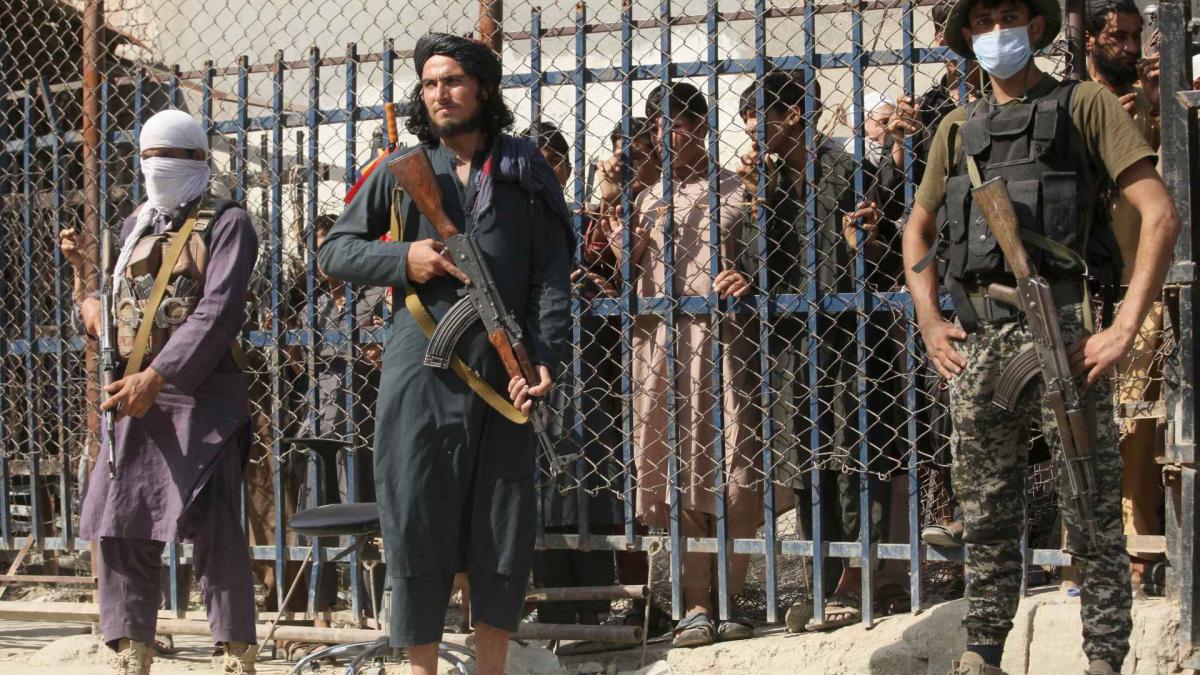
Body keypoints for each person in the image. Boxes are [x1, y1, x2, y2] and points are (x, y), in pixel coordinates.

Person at [901, 0, 1181, 671]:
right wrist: (930, 318)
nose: (999, 29)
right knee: (988, 511)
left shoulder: (1084, 107)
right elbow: (918, 229)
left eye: (1012, 14)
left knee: (1089, 506)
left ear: (1035, 26)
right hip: (982, 341)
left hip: (1066, 335)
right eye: (985, 18)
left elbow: (1160, 214)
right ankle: (982, 649)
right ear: (968, 35)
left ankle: (1104, 656)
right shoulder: (956, 128)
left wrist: (1122, 326)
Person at [317, 33, 571, 675]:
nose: (440, 94)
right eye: (430, 84)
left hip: (503, 373)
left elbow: (550, 274)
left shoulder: (523, 168)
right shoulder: (401, 171)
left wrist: (543, 359)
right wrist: (406, 258)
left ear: (483, 89)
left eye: (453, 81)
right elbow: (336, 251)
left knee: (501, 522)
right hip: (420, 372)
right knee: (418, 517)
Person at [61, 109, 260, 674]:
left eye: (170, 157)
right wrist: (85, 288)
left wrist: (162, 375)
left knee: (214, 521)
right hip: (133, 391)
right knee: (117, 517)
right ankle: (131, 647)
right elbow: (118, 313)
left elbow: (219, 311)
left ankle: (233, 650)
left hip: (200, 394)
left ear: (201, 160)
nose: (158, 168)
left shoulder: (229, 223)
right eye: (148, 157)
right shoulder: (135, 226)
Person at [734, 72, 906, 633]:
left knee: (855, 453)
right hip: (791, 343)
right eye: (748, 119)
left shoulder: (848, 172)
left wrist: (869, 243)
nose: (754, 129)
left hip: (853, 336)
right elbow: (763, 266)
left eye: (764, 115)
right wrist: (752, 231)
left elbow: (884, 257)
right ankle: (820, 573)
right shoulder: (767, 184)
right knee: (806, 459)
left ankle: (859, 575)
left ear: (798, 115)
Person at [610, 81, 760, 648]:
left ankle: (733, 598)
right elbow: (625, 273)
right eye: (657, 125)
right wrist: (622, 219)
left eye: (677, 123)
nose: (666, 134)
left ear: (700, 126)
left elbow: (773, 254)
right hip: (661, 346)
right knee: (674, 468)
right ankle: (695, 602)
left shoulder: (738, 189)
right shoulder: (647, 199)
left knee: (733, 465)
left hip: (724, 342)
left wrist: (748, 276)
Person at [519, 121, 623, 629]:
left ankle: (594, 605)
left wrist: (598, 282)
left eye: (549, 162)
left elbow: (623, 280)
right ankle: (553, 602)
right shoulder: (510, 224)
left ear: (562, 167)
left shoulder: (585, 221)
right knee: (536, 479)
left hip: (589, 373)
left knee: (587, 474)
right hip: (529, 367)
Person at [1085, 0, 1166, 593]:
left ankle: (1137, 549)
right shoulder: (1073, 101)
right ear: (1091, 39)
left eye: (1135, 38)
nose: (1130, 48)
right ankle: (1085, 552)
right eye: (1118, 37)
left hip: (1140, 281)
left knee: (1135, 421)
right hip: (1084, 278)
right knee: (1081, 420)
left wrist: (1163, 114)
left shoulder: (1153, 102)